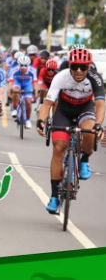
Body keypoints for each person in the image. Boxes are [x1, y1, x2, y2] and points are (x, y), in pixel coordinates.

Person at [36, 48, 105, 214]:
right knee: (58, 148)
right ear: (69, 65)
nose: (79, 71)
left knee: (89, 132)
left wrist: (98, 124)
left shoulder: (95, 78)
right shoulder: (61, 76)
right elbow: (47, 103)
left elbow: (100, 104)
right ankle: (53, 196)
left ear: (89, 67)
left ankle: (84, 160)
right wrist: (41, 120)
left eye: (83, 67)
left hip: (85, 109)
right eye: (75, 66)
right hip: (64, 110)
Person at [9, 55, 38, 129]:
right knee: (15, 90)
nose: (23, 67)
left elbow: (35, 83)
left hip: (27, 85)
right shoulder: (14, 70)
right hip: (17, 83)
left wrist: (36, 93)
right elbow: (10, 83)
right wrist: (9, 91)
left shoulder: (32, 71)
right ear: (19, 65)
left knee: (28, 102)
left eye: (25, 65)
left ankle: (28, 120)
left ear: (28, 65)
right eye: (21, 65)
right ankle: (15, 109)